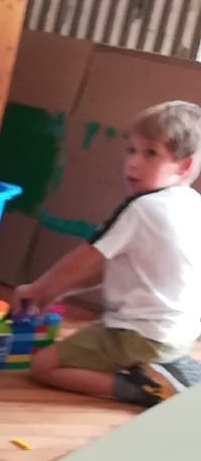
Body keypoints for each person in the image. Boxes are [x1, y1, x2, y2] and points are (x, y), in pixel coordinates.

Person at [16, 100, 201, 408]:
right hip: (179, 336)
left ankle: (143, 388)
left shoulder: (141, 208)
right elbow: (110, 266)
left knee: (43, 366)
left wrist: (37, 290)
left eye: (150, 153)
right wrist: (59, 292)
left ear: (183, 166)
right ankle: (159, 370)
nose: (133, 163)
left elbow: (84, 259)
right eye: (131, 150)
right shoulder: (191, 203)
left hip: (139, 336)